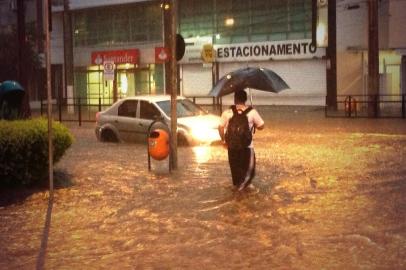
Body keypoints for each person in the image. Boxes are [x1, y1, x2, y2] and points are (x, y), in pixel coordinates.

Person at [218, 90, 264, 191]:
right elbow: (262, 126)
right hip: (247, 148)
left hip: (232, 148)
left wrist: (223, 141)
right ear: (245, 99)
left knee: (236, 178)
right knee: (248, 177)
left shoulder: (227, 112)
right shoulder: (252, 112)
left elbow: (220, 127)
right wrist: (254, 124)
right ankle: (243, 201)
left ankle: (236, 199)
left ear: (235, 99)